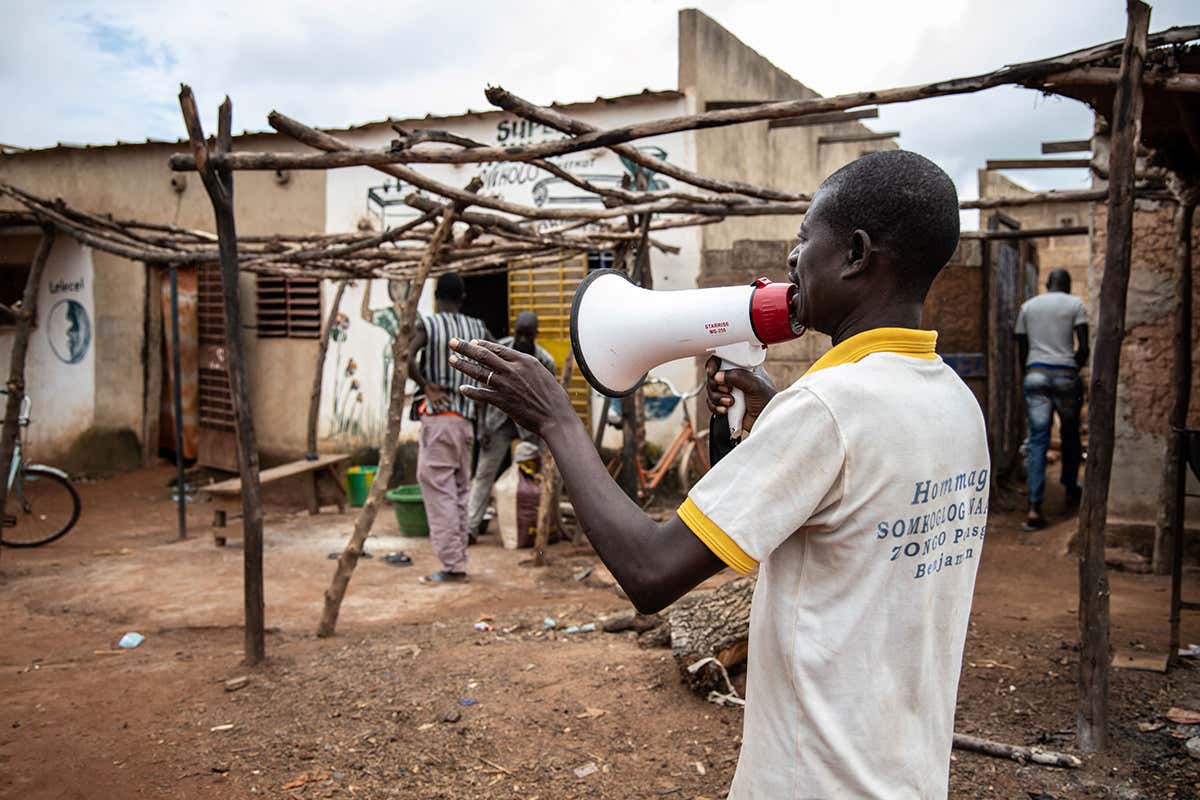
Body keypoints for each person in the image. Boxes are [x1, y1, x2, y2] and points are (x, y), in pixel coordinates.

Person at [448, 150, 990, 798]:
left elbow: (650, 571)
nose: (792, 260)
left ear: (855, 253)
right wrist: (772, 401)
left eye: (803, 239)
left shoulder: (826, 411)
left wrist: (557, 420)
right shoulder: (953, 402)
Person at [408, 272, 491, 584]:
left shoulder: (429, 325)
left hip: (440, 420)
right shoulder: (476, 328)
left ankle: (452, 566)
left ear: (436, 296)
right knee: (459, 491)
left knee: (439, 491)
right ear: (463, 297)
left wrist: (426, 386)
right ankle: (459, 560)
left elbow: (404, 355)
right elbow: (495, 358)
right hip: (466, 422)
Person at [466, 310, 556, 541]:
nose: (523, 340)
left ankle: (547, 526)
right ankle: (470, 528)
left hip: (530, 424)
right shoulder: (497, 351)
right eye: (520, 334)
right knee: (484, 474)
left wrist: (547, 436)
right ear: (513, 332)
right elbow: (481, 387)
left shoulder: (544, 362)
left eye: (528, 335)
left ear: (536, 334)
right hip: (498, 421)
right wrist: (482, 428)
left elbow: (551, 400)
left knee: (545, 475)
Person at [1014, 268, 1089, 530]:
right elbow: (1084, 347)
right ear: (1067, 285)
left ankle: (1034, 506)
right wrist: (1072, 367)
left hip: (1036, 375)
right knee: (1070, 434)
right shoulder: (1075, 305)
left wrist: (1032, 371)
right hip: (1065, 375)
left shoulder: (1028, 307)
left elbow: (1021, 347)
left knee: (1038, 439)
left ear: (1047, 284)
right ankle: (1070, 489)